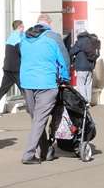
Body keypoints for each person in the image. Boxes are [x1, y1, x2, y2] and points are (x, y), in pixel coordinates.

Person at [16, 18, 69, 165]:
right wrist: (65, 79)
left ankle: (44, 151)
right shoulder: (51, 41)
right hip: (46, 84)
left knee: (36, 120)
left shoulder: (24, 41)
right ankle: (29, 155)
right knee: (39, 121)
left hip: (27, 83)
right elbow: (62, 62)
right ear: (47, 30)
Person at [0, 20, 25, 116]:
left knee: (3, 89)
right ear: (20, 27)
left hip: (7, 67)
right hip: (16, 69)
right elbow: (22, 53)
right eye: (23, 27)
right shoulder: (20, 38)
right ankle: (35, 108)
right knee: (24, 88)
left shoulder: (11, 37)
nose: (24, 28)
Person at [68, 29, 100, 98]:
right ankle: (88, 101)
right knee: (88, 85)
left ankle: (84, 102)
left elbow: (71, 52)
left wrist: (72, 47)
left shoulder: (80, 42)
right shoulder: (91, 41)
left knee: (81, 85)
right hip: (90, 67)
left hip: (81, 68)